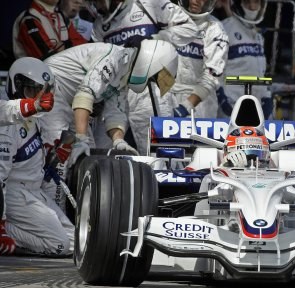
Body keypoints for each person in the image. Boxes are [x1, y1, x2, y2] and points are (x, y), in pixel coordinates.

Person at [37, 39, 178, 211]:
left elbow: (115, 113)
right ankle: (51, 212)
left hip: (70, 100)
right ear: (151, 62)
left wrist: (119, 141)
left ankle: (71, 214)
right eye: (153, 76)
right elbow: (86, 93)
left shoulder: (124, 71)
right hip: (50, 90)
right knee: (62, 155)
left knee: (87, 158)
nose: (151, 81)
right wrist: (80, 137)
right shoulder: (113, 58)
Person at [85, 0, 198, 154]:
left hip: (150, 89)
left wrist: (153, 39)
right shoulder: (99, 25)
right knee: (102, 152)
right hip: (115, 93)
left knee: (158, 154)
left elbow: (190, 29)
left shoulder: (150, 4)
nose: (95, 6)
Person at [0, 57, 74, 256]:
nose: (39, 98)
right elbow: (1, 179)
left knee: (76, 242)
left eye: (42, 91)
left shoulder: (33, 119)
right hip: (15, 194)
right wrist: (1, 224)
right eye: (32, 91)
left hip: (33, 191)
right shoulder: (7, 127)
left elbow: (29, 155)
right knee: (59, 246)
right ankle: (7, 232)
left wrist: (53, 154)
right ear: (17, 86)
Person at [169, 0, 229, 119]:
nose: (195, 1)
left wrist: (186, 106)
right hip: (168, 95)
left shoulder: (215, 29)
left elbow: (212, 75)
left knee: (196, 138)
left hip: (200, 103)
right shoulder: (169, 19)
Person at [216, 0, 272, 119]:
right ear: (239, 4)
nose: (252, 7)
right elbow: (214, 70)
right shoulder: (223, 29)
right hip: (230, 107)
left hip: (256, 108)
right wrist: (221, 98)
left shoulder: (258, 36)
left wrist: (266, 96)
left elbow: (260, 72)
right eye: (247, 3)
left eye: (256, 3)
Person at [12, 0, 88, 60]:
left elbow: (85, 46)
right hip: (35, 77)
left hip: (63, 75)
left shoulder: (61, 17)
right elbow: (45, 57)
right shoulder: (29, 19)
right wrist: (70, 48)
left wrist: (67, 45)